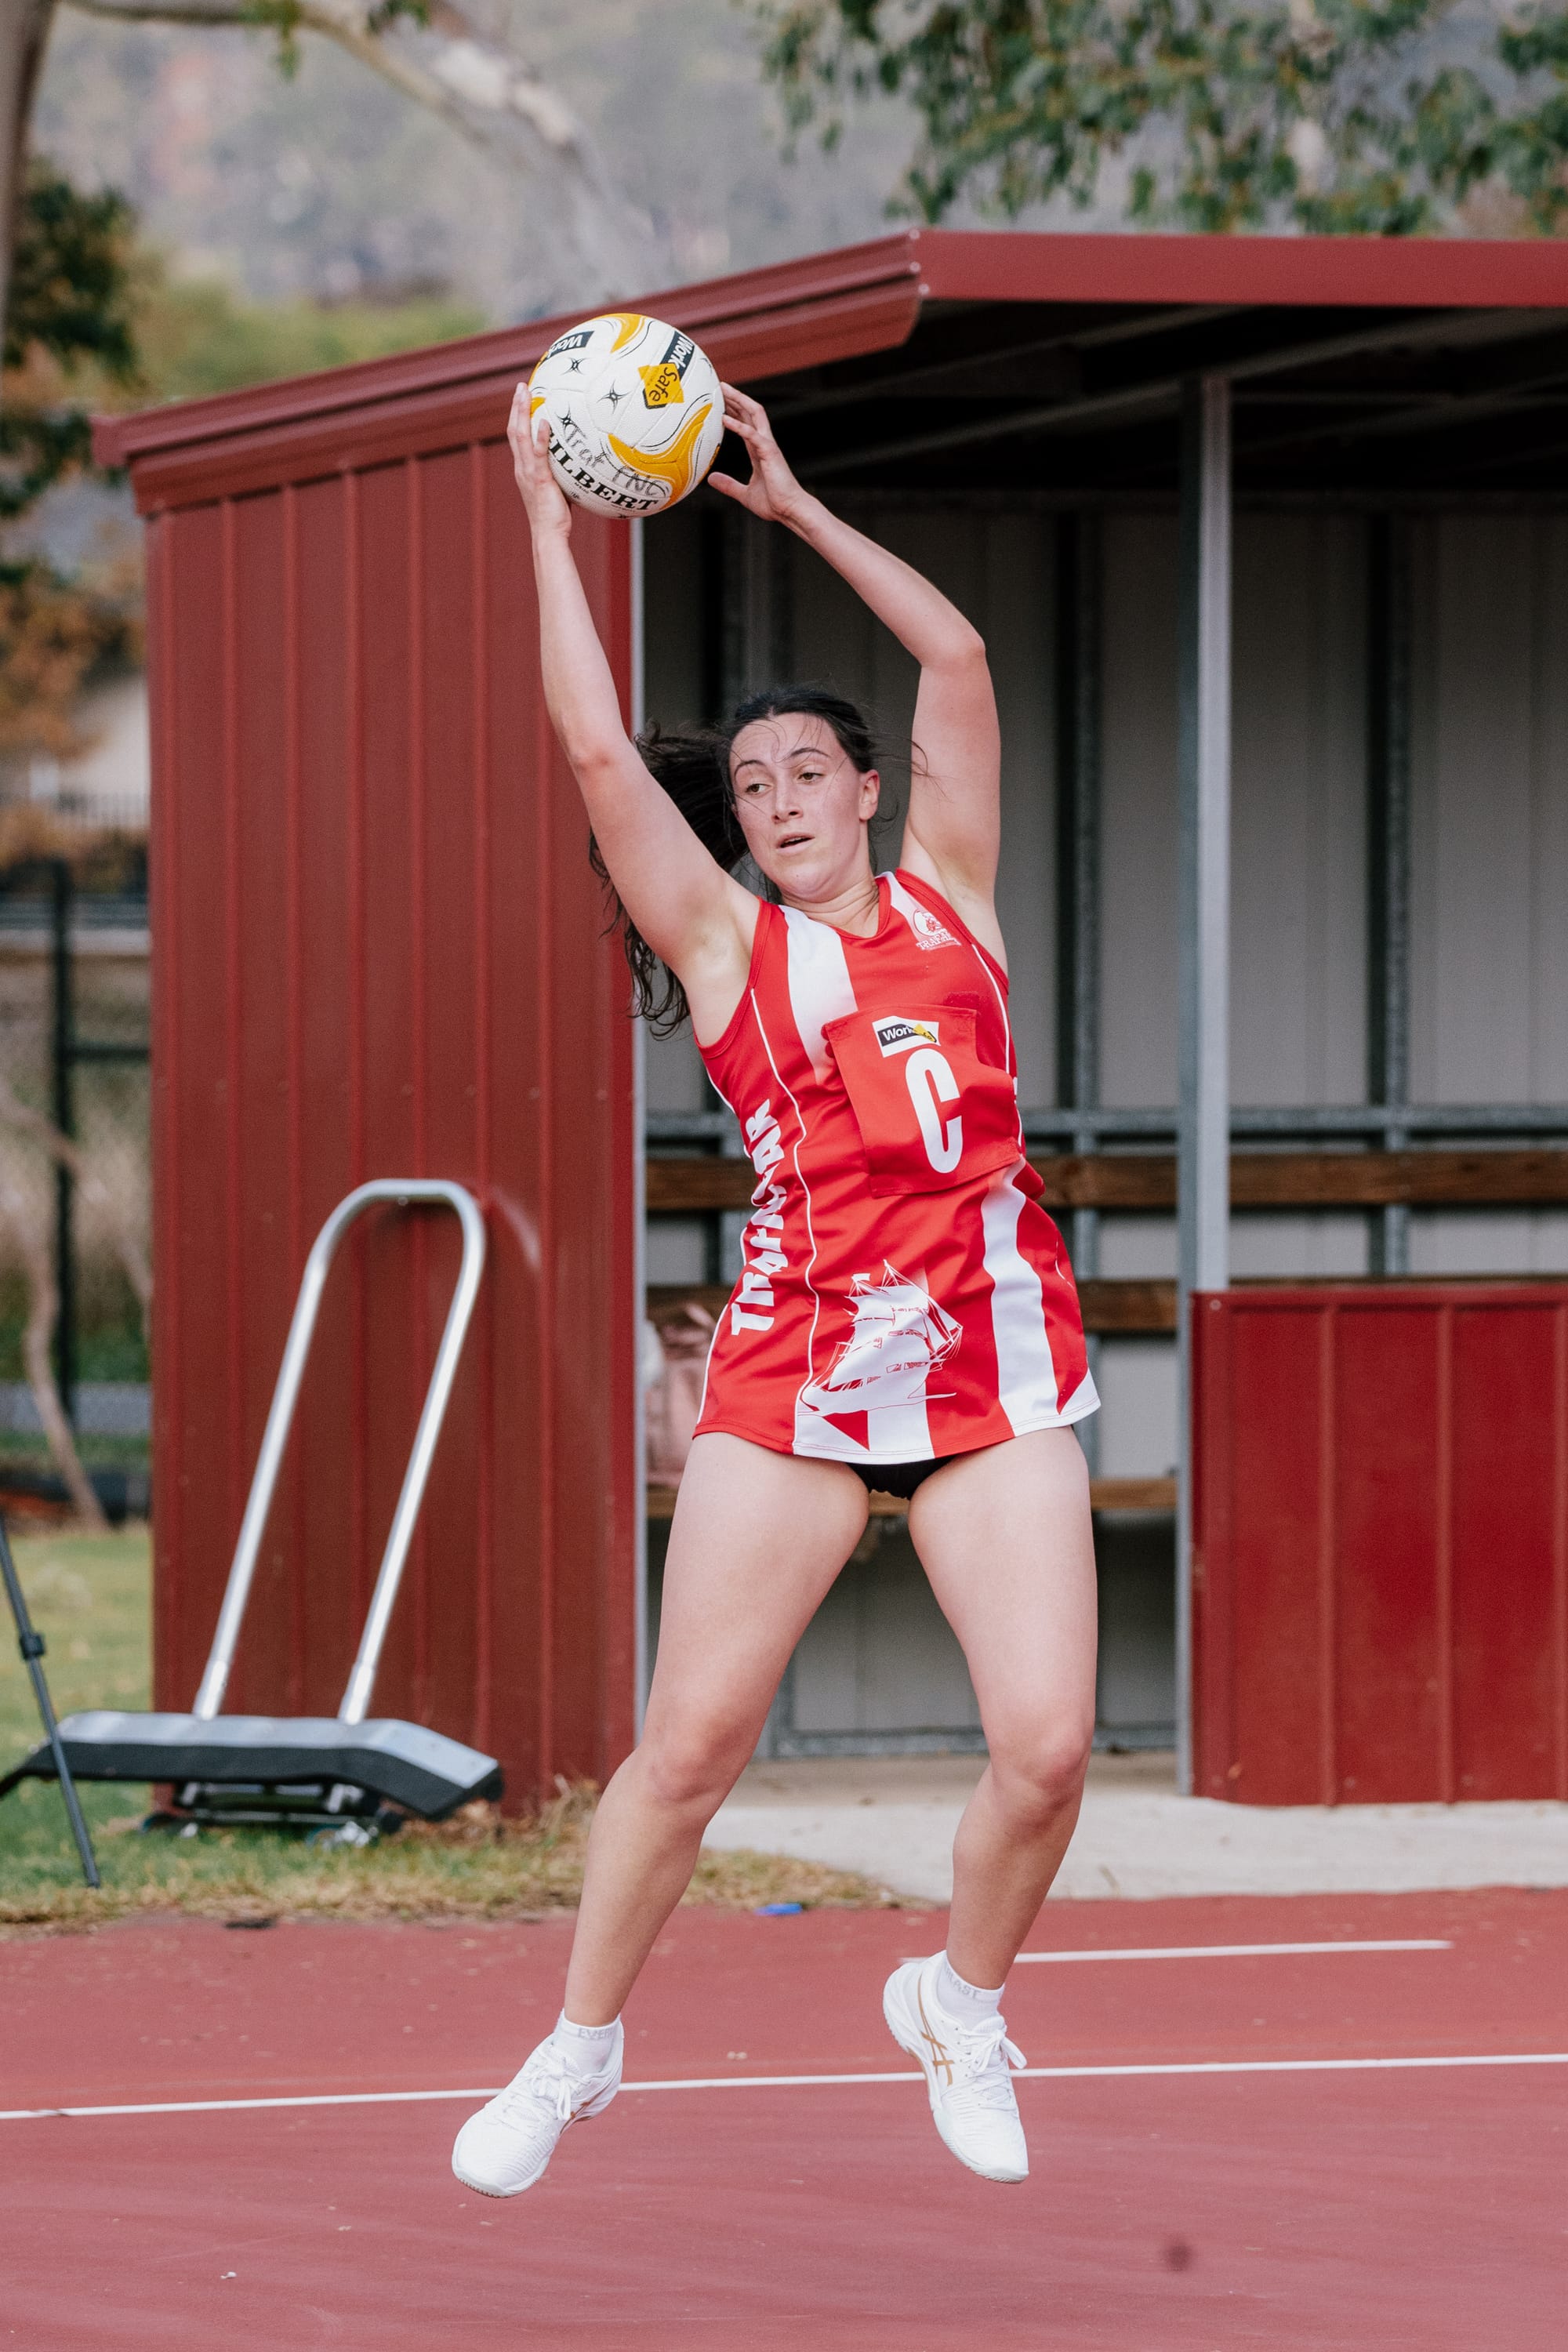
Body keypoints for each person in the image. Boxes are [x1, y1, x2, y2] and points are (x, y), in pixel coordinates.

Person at [452, 380, 1100, 2199]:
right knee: (688, 1752)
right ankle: (578, 2051)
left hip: (992, 1378)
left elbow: (958, 649)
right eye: (750, 786)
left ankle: (956, 2003)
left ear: (870, 787)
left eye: (810, 766)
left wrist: (794, 506)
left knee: (1045, 1753)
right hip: (799, 1388)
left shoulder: (954, 899)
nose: (779, 796)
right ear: (732, 831)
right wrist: (539, 511)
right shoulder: (733, 949)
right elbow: (594, 759)